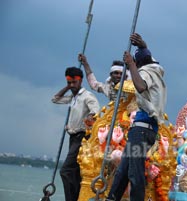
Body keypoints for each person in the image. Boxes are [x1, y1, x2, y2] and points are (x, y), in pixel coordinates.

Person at [106, 33, 167, 201]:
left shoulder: (147, 71)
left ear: (140, 64)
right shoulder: (154, 68)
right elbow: (147, 56)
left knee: (135, 172)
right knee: (124, 170)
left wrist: (131, 64)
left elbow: (140, 86)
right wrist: (142, 45)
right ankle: (112, 198)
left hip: (141, 130)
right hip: (144, 130)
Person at [52, 67, 100, 201]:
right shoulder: (73, 97)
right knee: (75, 172)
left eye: (75, 82)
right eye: (69, 82)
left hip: (82, 138)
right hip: (72, 138)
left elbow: (95, 110)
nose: (72, 85)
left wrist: (91, 116)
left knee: (66, 171)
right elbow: (55, 99)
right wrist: (68, 87)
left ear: (81, 81)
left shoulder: (87, 96)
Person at [78, 34, 147, 101]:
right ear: (111, 75)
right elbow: (93, 84)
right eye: (116, 73)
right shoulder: (108, 87)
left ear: (125, 76)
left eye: (121, 74)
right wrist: (85, 63)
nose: (119, 76)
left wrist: (142, 45)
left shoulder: (132, 85)